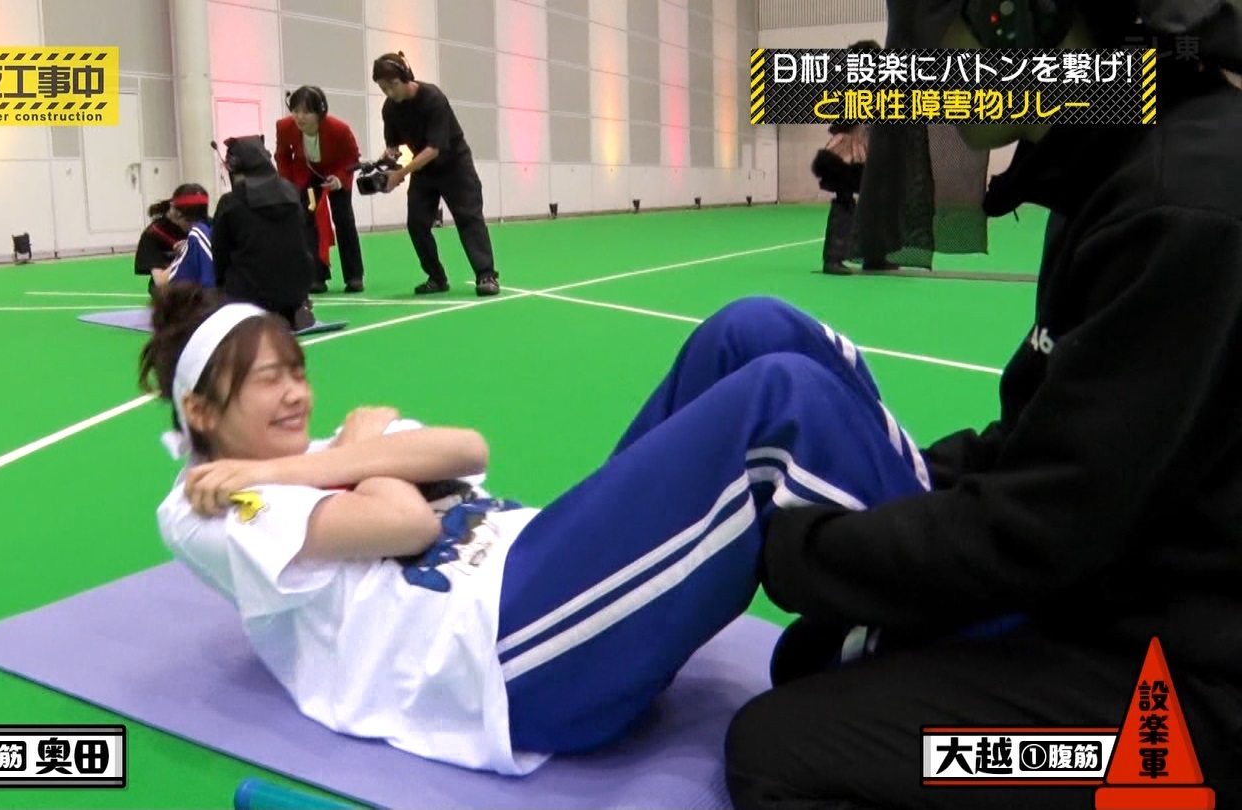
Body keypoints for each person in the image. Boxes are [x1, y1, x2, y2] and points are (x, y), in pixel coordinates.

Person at [724, 1, 1242, 808]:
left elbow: (1042, 530)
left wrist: (791, 551)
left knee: (781, 753)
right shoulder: (1113, 164)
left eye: (950, 35)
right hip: (1109, 604)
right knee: (815, 654)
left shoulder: (1185, 201)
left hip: (1190, 714)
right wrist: (894, 474)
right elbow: (1039, 438)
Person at [139, 280, 935, 775]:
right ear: (202, 412)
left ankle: (942, 531)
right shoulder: (210, 505)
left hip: (538, 556)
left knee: (751, 328)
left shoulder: (306, 459)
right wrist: (356, 455)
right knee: (778, 400)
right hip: (506, 653)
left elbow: (466, 449)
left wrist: (332, 460)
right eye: (268, 381)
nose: (296, 394)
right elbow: (403, 522)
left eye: (298, 371)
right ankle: (951, 639)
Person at [372, 52, 500, 297]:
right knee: (416, 223)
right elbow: (393, 146)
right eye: (383, 88)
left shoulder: (432, 98)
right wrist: (387, 162)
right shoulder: (390, 108)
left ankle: (486, 274)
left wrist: (401, 174)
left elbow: (434, 149)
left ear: (406, 76)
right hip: (424, 170)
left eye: (392, 85)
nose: (389, 92)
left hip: (455, 166)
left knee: (468, 218)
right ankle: (436, 278)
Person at [210, 135, 317, 331]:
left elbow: (219, 254)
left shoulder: (230, 203)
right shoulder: (292, 194)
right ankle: (292, 308)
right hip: (297, 288)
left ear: (235, 166)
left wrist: (220, 290)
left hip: (249, 293)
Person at [810, 40, 897, 275]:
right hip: (849, 155)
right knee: (846, 202)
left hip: (866, 155)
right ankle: (835, 258)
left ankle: (872, 257)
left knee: (873, 204)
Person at [275, 85, 367, 295]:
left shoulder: (339, 129)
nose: (299, 117)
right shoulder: (284, 127)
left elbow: (353, 158)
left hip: (336, 174)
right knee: (308, 221)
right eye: (295, 111)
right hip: (307, 175)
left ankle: (354, 276)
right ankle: (316, 276)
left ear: (320, 112)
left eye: (306, 112)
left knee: (343, 219)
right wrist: (288, 184)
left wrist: (339, 179)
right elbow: (282, 156)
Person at [156, 184, 214, 290]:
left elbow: (162, 281)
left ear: (178, 213)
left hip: (210, 298)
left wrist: (185, 251)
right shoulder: (211, 231)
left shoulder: (195, 237)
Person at [134, 197, 187, 296]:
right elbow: (160, 281)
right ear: (172, 206)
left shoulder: (206, 226)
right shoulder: (153, 233)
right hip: (169, 291)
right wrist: (188, 251)